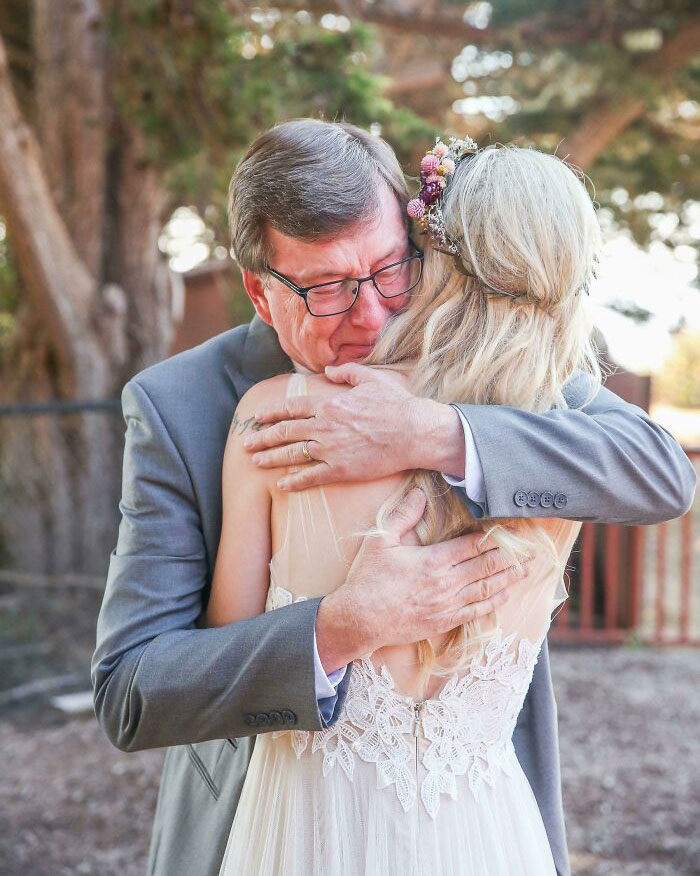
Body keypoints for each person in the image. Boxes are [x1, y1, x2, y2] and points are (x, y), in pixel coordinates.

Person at [91, 119, 696, 876]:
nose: (373, 316)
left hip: (476, 817)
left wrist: (434, 432)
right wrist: (340, 629)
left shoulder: (489, 362)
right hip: (269, 824)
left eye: (388, 271)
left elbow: (660, 471)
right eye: (324, 290)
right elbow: (132, 690)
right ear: (259, 290)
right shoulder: (180, 406)